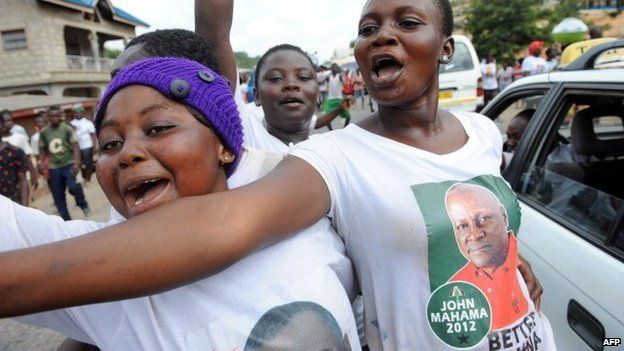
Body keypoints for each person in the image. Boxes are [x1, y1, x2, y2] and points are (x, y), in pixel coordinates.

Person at [0, 0, 548, 350]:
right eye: (111, 143)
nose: (127, 154)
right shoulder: (327, 161)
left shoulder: (483, 132)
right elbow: (224, 225)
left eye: (406, 22)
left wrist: (504, 258)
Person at [1, 57, 360, 350]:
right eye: (110, 144)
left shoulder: (305, 221)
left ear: (224, 147)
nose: (127, 154)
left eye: (157, 128)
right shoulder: (95, 275)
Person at [446, 184, 531, 331]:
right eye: (462, 226)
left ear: (504, 217)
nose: (474, 234)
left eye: (484, 219)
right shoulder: (455, 286)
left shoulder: (521, 270)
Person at [253, 44, 351, 146]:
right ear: (257, 95)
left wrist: (341, 109)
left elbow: (317, 122)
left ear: (317, 93)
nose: (291, 85)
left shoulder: (328, 152)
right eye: (275, 78)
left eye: (303, 77)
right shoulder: (250, 143)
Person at [38, 106, 90, 220]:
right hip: (54, 167)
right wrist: (41, 163)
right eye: (52, 116)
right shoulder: (44, 132)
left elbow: (75, 145)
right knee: (58, 194)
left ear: (60, 116)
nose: (55, 118)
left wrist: (77, 162)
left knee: (74, 187)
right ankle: (66, 219)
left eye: (57, 115)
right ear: (48, 117)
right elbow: (42, 148)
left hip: (68, 163)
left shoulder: (66, 128)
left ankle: (82, 203)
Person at [1, 109, 38, 192]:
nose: (8, 123)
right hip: (5, 182)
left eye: (9, 120)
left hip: (24, 177)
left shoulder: (20, 137)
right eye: (5, 121)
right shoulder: (1, 141)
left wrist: (33, 175)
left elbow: (28, 157)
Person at [0, 115, 29, 205]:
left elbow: (22, 179)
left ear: (2, 126)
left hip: (13, 203)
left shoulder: (15, 152)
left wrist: (24, 206)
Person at [69, 105, 97, 183]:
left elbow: (93, 135)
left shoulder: (87, 122)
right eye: (76, 113)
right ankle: (81, 178)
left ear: (82, 113)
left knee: (88, 163)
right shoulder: (71, 123)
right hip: (76, 148)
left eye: (79, 113)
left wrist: (95, 145)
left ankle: (88, 179)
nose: (77, 114)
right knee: (78, 163)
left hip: (87, 146)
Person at [325, 63, 351, 129]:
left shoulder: (339, 76)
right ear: (331, 69)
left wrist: (343, 75)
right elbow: (326, 86)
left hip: (339, 99)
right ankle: (331, 130)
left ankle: (344, 128)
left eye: (336, 68)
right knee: (326, 118)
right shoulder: (329, 77)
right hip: (331, 99)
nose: (334, 69)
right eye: (333, 68)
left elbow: (345, 84)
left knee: (348, 116)